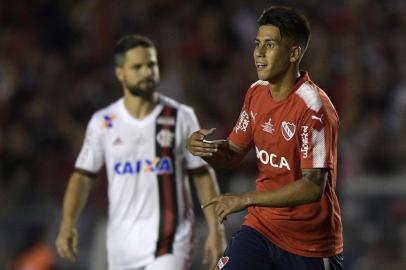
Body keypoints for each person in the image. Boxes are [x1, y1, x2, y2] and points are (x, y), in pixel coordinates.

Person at [187, 6, 344, 270]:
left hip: (310, 245)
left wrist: (246, 199)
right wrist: (206, 149)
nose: (258, 54)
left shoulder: (314, 108)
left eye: (269, 45)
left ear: (294, 53)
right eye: (257, 44)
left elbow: (312, 187)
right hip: (261, 229)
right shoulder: (256, 93)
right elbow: (234, 152)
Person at [55, 34, 226, 270]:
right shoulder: (103, 122)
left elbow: (202, 174)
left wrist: (215, 229)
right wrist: (67, 225)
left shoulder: (180, 117)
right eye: (137, 67)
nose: (147, 72)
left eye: (151, 65)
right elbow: (82, 177)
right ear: (120, 73)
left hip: (170, 242)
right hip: (121, 246)